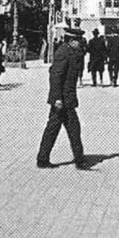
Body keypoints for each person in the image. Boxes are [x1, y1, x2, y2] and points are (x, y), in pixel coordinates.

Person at [36, 28, 87, 170]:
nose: (80, 43)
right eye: (78, 40)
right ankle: (44, 159)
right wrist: (56, 98)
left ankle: (78, 159)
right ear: (71, 41)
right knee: (56, 129)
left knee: (71, 129)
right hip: (61, 100)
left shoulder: (72, 52)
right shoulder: (63, 53)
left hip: (67, 98)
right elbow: (55, 76)